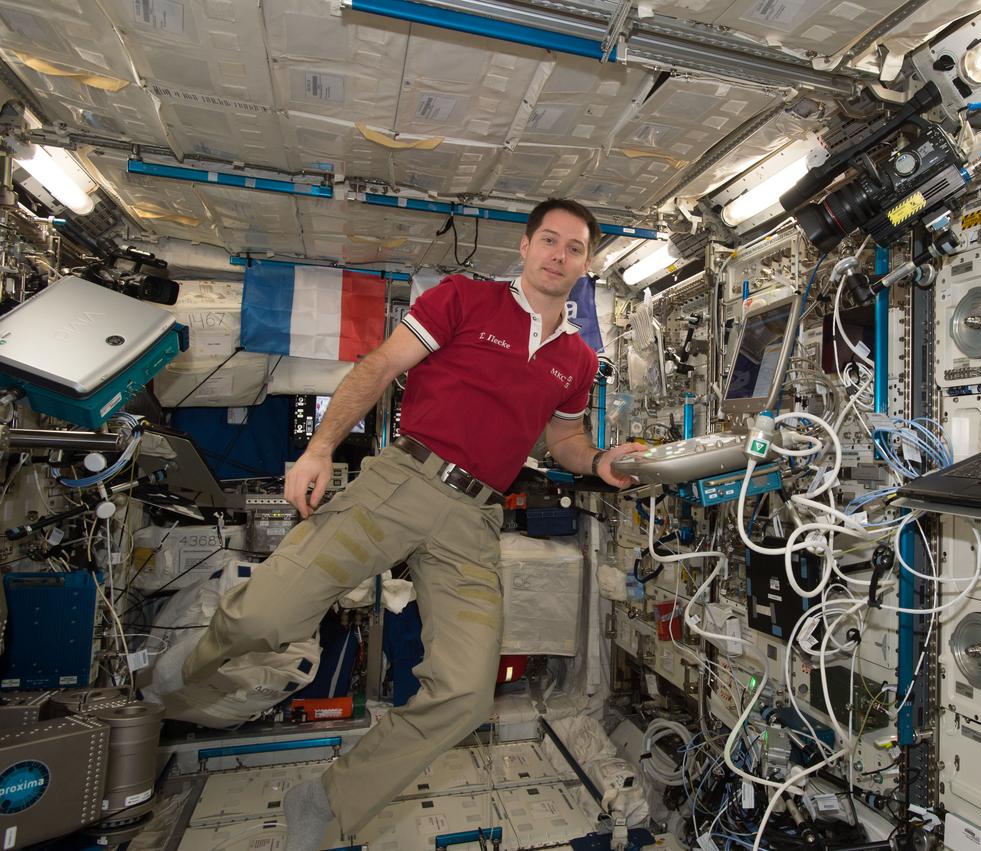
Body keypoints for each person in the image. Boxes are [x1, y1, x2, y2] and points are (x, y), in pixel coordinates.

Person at [146, 198, 643, 850]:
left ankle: (326, 798)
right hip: (400, 481)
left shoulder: (576, 359)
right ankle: (179, 679)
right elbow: (378, 365)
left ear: (586, 263)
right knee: (263, 617)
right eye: (548, 240)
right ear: (524, 247)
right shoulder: (464, 298)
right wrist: (320, 447)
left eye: (573, 247)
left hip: (472, 518)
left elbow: (565, 438)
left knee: (465, 697)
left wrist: (600, 459)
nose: (558, 255)